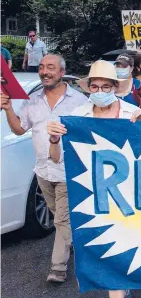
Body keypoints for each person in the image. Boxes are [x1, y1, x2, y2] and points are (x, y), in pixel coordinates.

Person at [47, 60, 141, 298]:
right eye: (95, 86)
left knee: (123, 245)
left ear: (116, 88)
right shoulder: (77, 116)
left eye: (106, 86)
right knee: (107, 248)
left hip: (128, 193)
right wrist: (55, 138)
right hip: (92, 195)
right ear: (89, 88)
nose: (99, 91)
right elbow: (56, 158)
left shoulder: (132, 112)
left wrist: (137, 129)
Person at [0, 54, 87, 282]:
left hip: (69, 171)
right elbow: (19, 129)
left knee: (61, 220)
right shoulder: (33, 101)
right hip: (42, 172)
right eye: (41, 67)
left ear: (61, 72)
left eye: (50, 67)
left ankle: (58, 267)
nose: (44, 71)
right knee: (58, 213)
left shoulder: (79, 101)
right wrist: (8, 108)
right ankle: (76, 240)